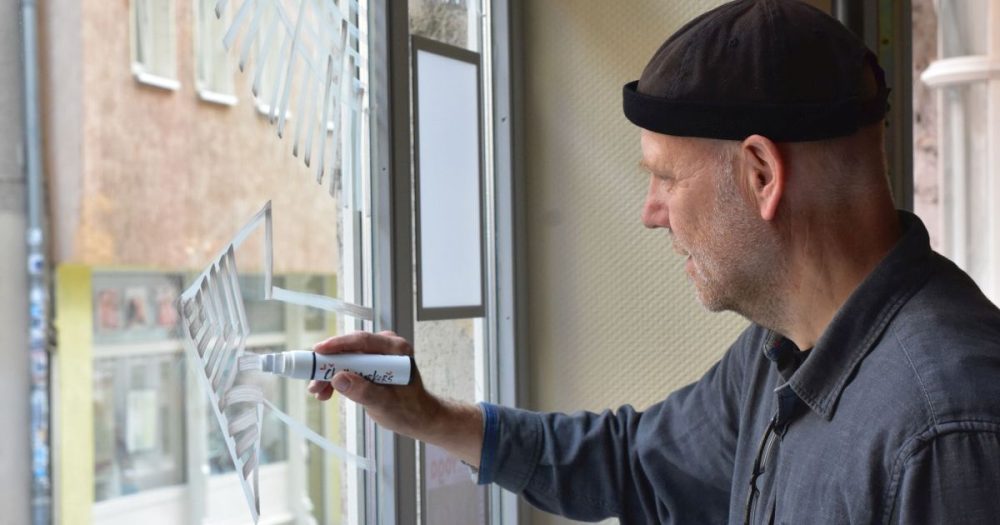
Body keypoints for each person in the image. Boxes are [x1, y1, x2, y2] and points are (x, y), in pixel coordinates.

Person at [308, 0, 1000, 523]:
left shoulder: (948, 431)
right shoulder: (779, 349)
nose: (650, 210)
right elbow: (632, 459)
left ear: (761, 174)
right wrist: (427, 414)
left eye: (667, 177)